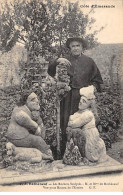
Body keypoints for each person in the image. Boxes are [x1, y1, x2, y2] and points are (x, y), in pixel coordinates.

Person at [48, 37, 103, 156]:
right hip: (67, 97)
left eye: (78, 45)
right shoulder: (64, 60)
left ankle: (84, 152)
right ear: (70, 48)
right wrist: (58, 60)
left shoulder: (89, 62)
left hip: (82, 99)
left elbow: (97, 82)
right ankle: (65, 152)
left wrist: (91, 89)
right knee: (66, 123)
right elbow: (50, 71)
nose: (76, 48)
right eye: (73, 46)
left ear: (82, 47)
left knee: (82, 124)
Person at [7, 91, 53, 161]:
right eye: (33, 100)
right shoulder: (19, 109)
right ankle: (47, 155)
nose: (37, 101)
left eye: (36, 99)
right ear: (26, 102)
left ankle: (45, 153)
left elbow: (40, 126)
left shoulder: (30, 111)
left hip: (23, 135)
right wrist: (35, 126)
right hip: (18, 137)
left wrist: (38, 120)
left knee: (38, 139)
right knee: (38, 140)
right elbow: (21, 117)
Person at [67, 85, 107, 163]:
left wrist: (71, 121)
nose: (81, 102)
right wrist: (72, 120)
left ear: (89, 105)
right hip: (84, 134)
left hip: (90, 134)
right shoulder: (81, 112)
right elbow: (72, 119)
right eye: (80, 100)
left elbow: (74, 123)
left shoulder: (88, 114)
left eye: (84, 101)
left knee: (90, 154)